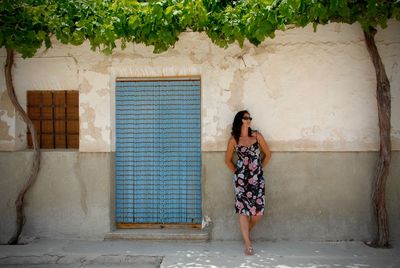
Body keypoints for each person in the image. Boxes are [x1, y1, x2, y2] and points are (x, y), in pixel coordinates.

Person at [225, 110, 271, 256]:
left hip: (257, 178)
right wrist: (238, 173)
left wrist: (259, 169)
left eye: (250, 117)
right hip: (241, 180)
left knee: (258, 213)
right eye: (246, 118)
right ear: (240, 120)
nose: (249, 119)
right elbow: (227, 160)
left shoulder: (257, 136)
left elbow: (268, 154)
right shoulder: (234, 139)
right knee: (243, 210)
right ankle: (248, 243)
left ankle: (247, 232)